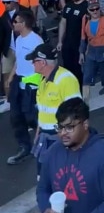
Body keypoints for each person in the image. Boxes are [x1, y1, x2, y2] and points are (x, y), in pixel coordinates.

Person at [37, 98, 104, 213]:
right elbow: (42, 189)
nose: (62, 133)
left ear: (85, 124)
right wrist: (46, 209)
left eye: (69, 127)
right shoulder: (53, 152)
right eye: (60, 127)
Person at [26, 43, 81, 173]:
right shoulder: (43, 80)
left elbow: (76, 113)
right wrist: (38, 133)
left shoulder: (66, 80)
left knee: (60, 177)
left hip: (59, 137)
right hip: (45, 137)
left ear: (42, 62)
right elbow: (43, 110)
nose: (32, 64)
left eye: (34, 61)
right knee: (43, 177)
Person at [7, 10, 43, 164]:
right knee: (16, 116)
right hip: (18, 81)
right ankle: (24, 147)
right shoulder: (18, 39)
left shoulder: (36, 40)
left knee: (32, 117)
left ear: (25, 23)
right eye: (14, 21)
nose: (14, 24)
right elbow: (18, 60)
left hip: (32, 85)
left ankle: (44, 143)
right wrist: (10, 77)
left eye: (17, 21)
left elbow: (43, 63)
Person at [57, 0, 89, 89]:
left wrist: (86, 46)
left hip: (79, 42)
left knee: (78, 69)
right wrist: (60, 41)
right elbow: (63, 22)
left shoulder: (86, 7)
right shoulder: (69, 5)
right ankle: (69, 89)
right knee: (67, 67)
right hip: (67, 42)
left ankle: (78, 91)